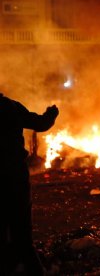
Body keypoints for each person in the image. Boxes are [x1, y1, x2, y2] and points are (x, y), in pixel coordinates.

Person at [0, 93, 59, 275]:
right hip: (13, 174)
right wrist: (52, 114)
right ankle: (32, 268)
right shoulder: (9, 106)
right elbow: (41, 124)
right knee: (21, 226)